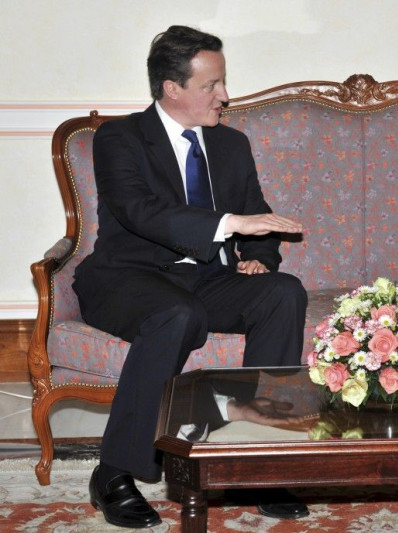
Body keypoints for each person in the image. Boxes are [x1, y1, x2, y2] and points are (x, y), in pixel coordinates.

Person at [73, 25, 310, 528]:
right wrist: (230, 225)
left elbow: (256, 215)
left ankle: (259, 458)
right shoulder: (120, 138)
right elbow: (142, 212)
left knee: (282, 293)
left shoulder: (230, 144)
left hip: (206, 277)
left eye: (223, 82)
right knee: (176, 314)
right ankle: (114, 472)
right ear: (171, 88)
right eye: (212, 85)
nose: (225, 95)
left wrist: (261, 257)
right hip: (127, 277)